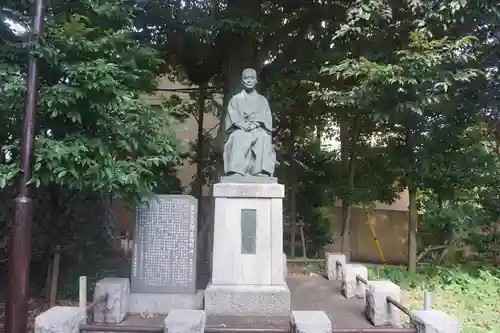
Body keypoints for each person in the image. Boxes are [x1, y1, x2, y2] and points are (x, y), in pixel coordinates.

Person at [223, 68, 276, 177]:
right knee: (237, 137)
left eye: (252, 78)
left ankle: (260, 171)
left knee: (263, 137)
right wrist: (240, 124)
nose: (249, 81)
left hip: (258, 129)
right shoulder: (235, 99)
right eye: (246, 78)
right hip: (241, 129)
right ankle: (236, 171)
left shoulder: (262, 100)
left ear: (256, 81)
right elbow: (232, 114)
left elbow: (265, 117)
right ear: (242, 81)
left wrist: (256, 124)